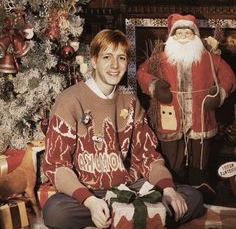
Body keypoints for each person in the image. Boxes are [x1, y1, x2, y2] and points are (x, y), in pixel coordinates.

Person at [42, 29, 205, 229]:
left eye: (121, 58)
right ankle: (139, 218)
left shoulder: (130, 101)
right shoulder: (69, 100)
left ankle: (128, 217)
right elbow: (57, 165)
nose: (114, 65)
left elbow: (147, 156)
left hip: (129, 189)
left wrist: (169, 190)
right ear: (93, 61)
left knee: (193, 198)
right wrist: (90, 201)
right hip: (90, 192)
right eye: (107, 57)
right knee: (55, 212)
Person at [136, 13, 236, 201]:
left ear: (195, 36)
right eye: (178, 32)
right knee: (172, 155)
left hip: (201, 116)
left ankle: (200, 186)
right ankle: (173, 185)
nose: (183, 36)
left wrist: (219, 94)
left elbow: (229, 76)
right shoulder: (161, 58)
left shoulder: (209, 58)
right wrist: (154, 86)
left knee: (200, 155)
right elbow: (141, 73)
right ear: (172, 37)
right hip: (169, 113)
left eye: (187, 33)